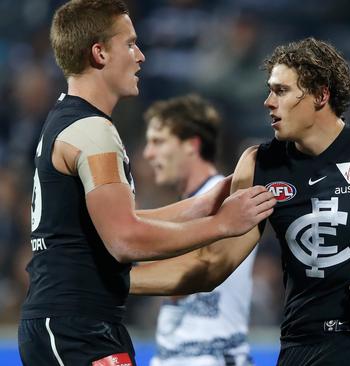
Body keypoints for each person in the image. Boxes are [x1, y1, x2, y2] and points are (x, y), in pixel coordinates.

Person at [129, 37, 350, 366]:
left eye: (281, 91)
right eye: (270, 90)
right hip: (295, 346)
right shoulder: (259, 164)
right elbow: (214, 266)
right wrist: (114, 282)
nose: (268, 101)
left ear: (321, 95)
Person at [19, 1, 275, 365]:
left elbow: (110, 226)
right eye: (130, 44)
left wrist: (200, 205)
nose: (140, 56)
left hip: (70, 322)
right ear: (100, 53)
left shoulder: (68, 121)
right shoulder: (94, 132)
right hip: (77, 328)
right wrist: (220, 224)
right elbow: (125, 239)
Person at [142, 94, 256, 365]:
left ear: (191, 144)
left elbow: (182, 277)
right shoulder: (188, 205)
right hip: (176, 355)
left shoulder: (226, 199)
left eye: (158, 141)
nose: (148, 153)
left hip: (212, 355)